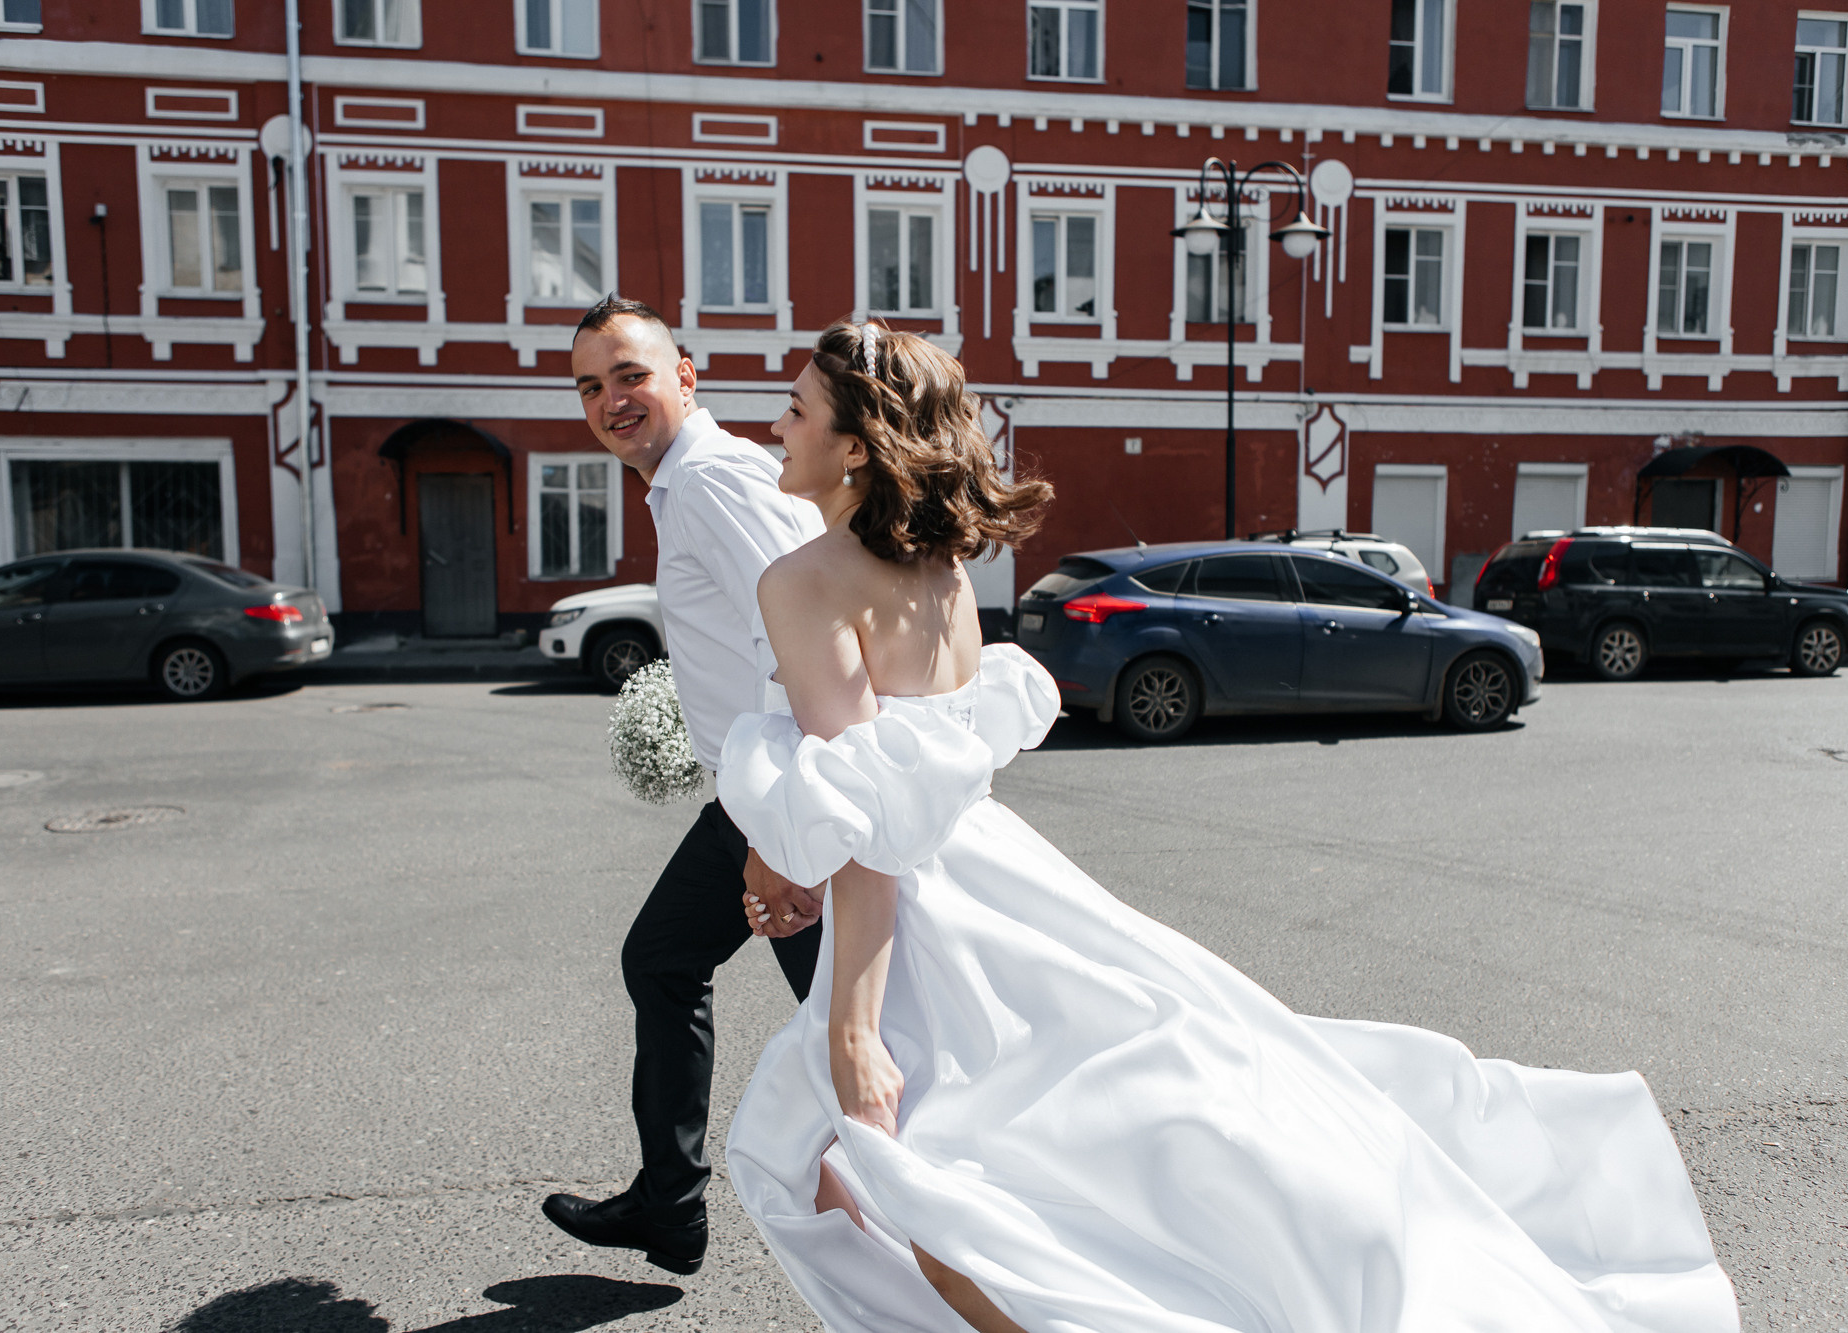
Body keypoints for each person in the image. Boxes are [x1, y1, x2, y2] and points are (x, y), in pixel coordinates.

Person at [713, 319, 1742, 1333]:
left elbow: (869, 818)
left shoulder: (802, 581)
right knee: (1007, 1169)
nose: (776, 424)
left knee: (916, 1193)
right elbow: (885, 780)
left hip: (927, 928)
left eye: (795, 409)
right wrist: (780, 846)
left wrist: (852, 1024)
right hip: (1002, 879)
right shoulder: (936, 570)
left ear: (855, 444)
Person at [540, 296, 825, 1277]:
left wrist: (776, 830)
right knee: (661, 958)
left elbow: (809, 640)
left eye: (628, 374)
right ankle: (670, 1206)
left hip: (790, 799)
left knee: (850, 1044)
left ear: (684, 377)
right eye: (590, 385)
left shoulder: (707, 481)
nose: (610, 399)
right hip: (758, 789)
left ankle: (929, 1255)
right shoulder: (688, 482)